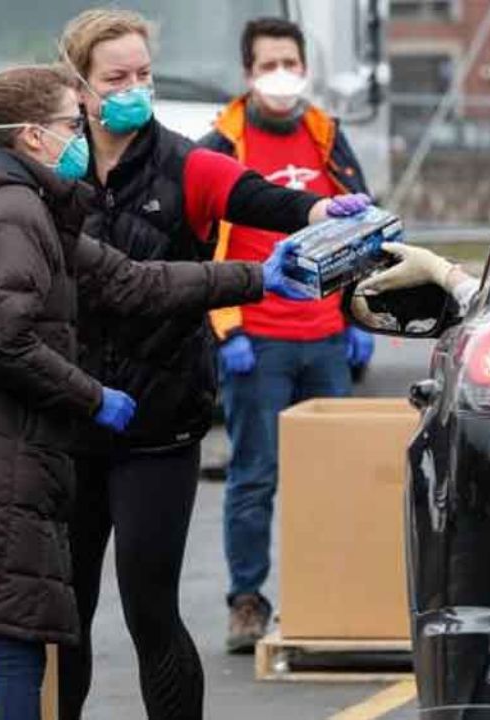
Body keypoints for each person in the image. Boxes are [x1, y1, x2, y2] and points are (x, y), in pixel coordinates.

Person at [0, 64, 308, 720]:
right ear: (34, 137)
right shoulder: (12, 214)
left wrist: (255, 277)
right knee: (16, 656)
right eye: (73, 123)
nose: (84, 134)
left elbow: (132, 281)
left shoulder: (30, 208)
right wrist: (92, 396)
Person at [56, 9, 374, 718]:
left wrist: (325, 214)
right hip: (69, 420)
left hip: (159, 424)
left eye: (143, 74)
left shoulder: (184, 163)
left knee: (150, 611)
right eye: (117, 77)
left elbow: (262, 198)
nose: (134, 88)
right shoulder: (55, 168)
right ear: (79, 88)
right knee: (62, 617)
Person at [195, 16, 387, 653]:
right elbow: (202, 244)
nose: (283, 75)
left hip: (326, 338)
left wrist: (360, 316)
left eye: (292, 63)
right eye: (269, 64)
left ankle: (327, 596)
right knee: (256, 475)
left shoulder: (326, 136)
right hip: (259, 342)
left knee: (332, 475)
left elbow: (364, 226)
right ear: (249, 74)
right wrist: (227, 331)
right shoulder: (222, 145)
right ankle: (247, 602)